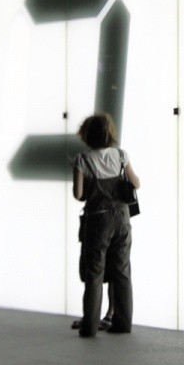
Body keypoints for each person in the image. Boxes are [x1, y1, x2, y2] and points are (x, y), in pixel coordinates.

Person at [70, 113, 137, 337]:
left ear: (87, 135)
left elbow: (78, 194)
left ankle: (89, 327)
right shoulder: (121, 156)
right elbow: (136, 182)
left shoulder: (83, 159)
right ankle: (123, 324)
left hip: (97, 221)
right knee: (122, 272)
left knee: (94, 274)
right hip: (122, 219)